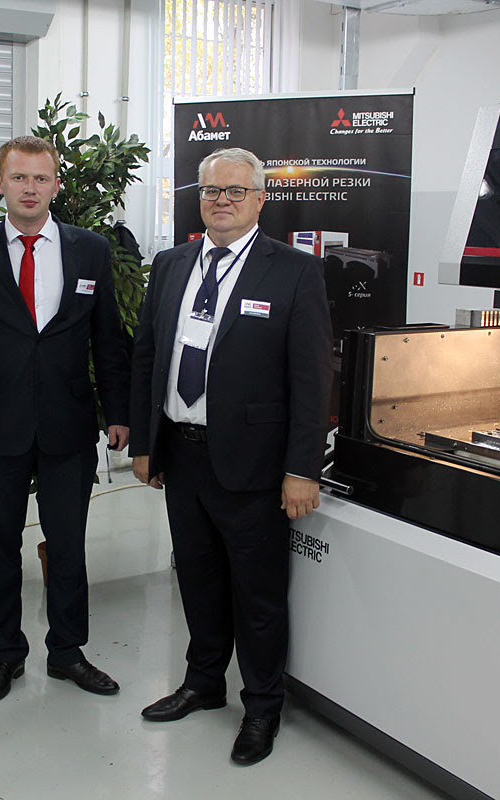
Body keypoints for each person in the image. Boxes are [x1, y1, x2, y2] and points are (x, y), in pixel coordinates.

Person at [129, 147, 332, 765]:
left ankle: (262, 707)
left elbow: (312, 379)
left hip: (255, 465)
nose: (221, 200)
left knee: (258, 594)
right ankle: (203, 683)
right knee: (198, 580)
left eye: (236, 191)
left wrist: (302, 468)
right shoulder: (171, 264)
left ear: (260, 199)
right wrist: (146, 444)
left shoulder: (294, 271)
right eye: (211, 190)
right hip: (182, 455)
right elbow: (148, 355)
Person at [0, 135, 131, 703]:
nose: (29, 188)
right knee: (0, 549)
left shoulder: (90, 249)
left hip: (70, 423)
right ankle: (5, 655)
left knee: (68, 546)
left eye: (41, 178)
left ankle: (67, 652)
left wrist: (117, 413)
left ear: (56, 186)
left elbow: (108, 340)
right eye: (19, 177)